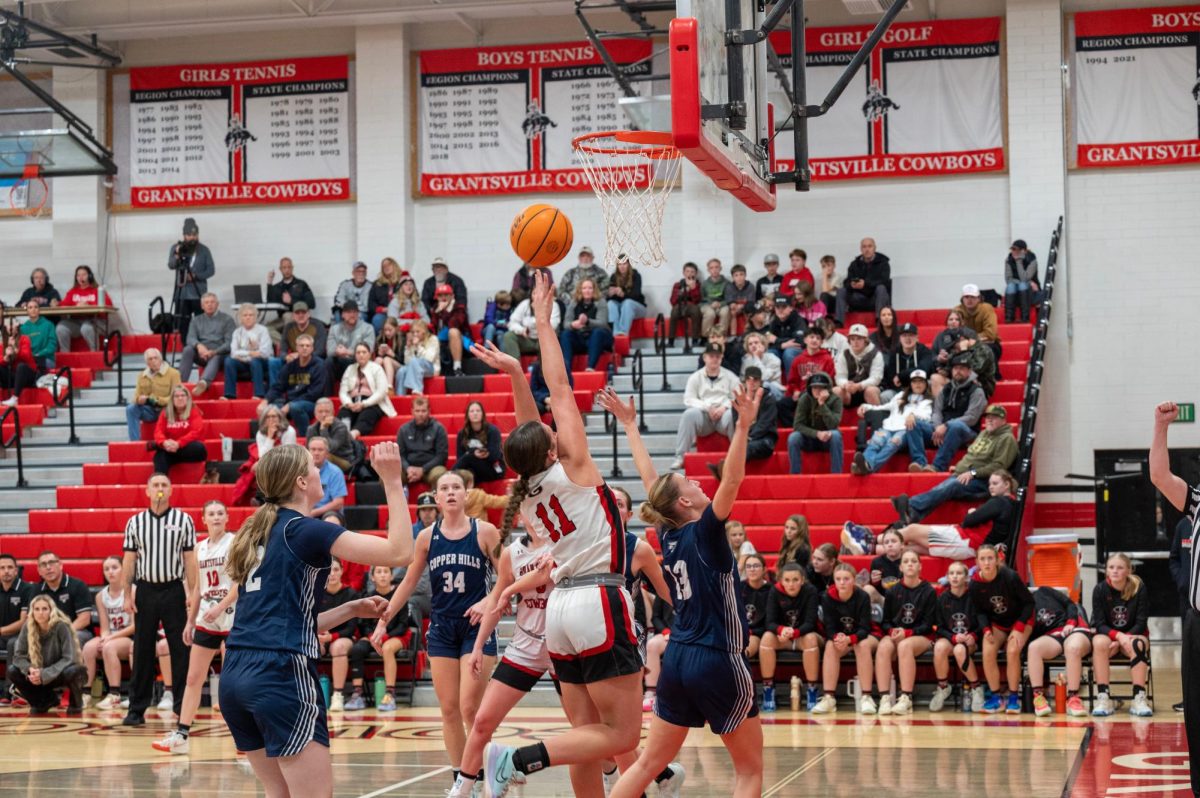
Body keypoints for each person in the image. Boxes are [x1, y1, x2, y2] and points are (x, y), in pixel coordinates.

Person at [467, 273, 651, 798]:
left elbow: (529, 426)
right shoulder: (573, 468)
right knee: (621, 734)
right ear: (552, 451)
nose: (554, 427)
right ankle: (518, 757)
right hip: (599, 596)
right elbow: (563, 389)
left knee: (587, 734)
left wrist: (513, 378)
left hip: (560, 613)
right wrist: (544, 324)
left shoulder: (525, 492)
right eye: (551, 434)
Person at [217, 441, 412, 796]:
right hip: (280, 675)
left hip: (235, 676)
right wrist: (393, 482)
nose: (319, 470)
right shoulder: (306, 530)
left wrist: (351, 609)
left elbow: (283, 620)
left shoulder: (256, 531)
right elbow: (400, 552)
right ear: (301, 482)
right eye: (313, 466)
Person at [600, 380, 763, 798]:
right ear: (685, 503)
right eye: (690, 484)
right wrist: (742, 427)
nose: (698, 484)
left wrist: (631, 426)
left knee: (649, 764)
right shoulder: (705, 532)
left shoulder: (668, 533)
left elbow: (650, 480)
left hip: (677, 658)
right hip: (717, 659)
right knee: (748, 772)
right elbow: (731, 481)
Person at [373, 472, 501, 779]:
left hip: (475, 628)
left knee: (471, 708)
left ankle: (487, 772)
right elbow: (407, 582)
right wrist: (383, 620)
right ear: (437, 498)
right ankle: (461, 778)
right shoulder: (427, 537)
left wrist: (488, 602)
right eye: (445, 488)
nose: (452, 492)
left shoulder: (485, 532)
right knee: (449, 710)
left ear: (466, 494)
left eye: (457, 487)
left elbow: (506, 577)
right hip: (443, 628)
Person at [449, 524, 557, 798]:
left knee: (586, 727)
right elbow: (496, 601)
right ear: (522, 513)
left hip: (561, 645)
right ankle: (461, 790)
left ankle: (612, 777)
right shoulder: (512, 553)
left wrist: (511, 590)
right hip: (526, 644)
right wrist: (477, 646)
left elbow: (541, 575)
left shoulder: (561, 542)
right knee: (482, 721)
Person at [153, 501, 239, 753]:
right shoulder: (199, 549)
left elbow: (240, 584)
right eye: (211, 513)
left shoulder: (235, 543)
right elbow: (197, 589)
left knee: (233, 682)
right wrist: (190, 621)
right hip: (206, 619)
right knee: (192, 678)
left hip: (232, 617)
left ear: (227, 517)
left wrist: (220, 607)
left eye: (220, 513)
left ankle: (245, 739)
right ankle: (182, 735)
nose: (216, 517)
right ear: (203, 519)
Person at [119, 473, 198, 725]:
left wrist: (193, 593)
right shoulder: (135, 522)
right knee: (141, 650)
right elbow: (129, 561)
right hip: (145, 590)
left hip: (174, 590)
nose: (160, 489)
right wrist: (126, 594)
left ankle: (181, 708)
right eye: (156, 485)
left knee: (180, 649)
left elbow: (190, 561)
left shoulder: (184, 520)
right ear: (147, 491)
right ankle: (136, 709)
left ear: (171, 490)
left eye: (164, 485)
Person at [1150, 403, 1200, 790]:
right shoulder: (1197, 502)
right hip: (1198, 621)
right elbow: (1159, 475)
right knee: (1197, 710)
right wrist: (1161, 427)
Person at [893, 404, 1017, 525]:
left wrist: (973, 473)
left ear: (1003, 420)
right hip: (965, 474)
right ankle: (913, 515)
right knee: (942, 488)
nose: (989, 420)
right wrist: (959, 466)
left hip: (984, 481)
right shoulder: (984, 433)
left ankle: (911, 504)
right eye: (988, 417)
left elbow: (998, 466)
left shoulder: (1006, 438)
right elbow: (972, 455)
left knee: (951, 486)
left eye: (994, 417)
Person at [969, 544, 1035, 714]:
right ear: (977, 562)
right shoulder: (975, 584)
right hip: (998, 623)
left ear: (997, 560)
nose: (987, 562)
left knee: (1012, 651)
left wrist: (1019, 627)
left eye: (990, 558)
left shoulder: (1010, 576)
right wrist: (986, 630)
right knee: (988, 650)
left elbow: (1029, 603)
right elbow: (980, 611)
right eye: (982, 559)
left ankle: (1013, 698)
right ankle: (996, 697)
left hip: (1022, 620)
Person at [899, 469, 1019, 560]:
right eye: (990, 484)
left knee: (911, 530)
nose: (991, 487)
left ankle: (882, 538)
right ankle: (881, 546)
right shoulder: (1010, 503)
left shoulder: (1000, 502)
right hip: (968, 540)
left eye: (995, 483)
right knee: (910, 547)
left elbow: (968, 520)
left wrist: (972, 512)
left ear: (1007, 485)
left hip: (967, 541)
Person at [873, 549, 937, 715]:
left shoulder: (928, 591)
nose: (910, 564)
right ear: (900, 568)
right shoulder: (892, 591)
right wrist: (893, 631)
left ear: (920, 566)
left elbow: (929, 624)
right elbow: (885, 621)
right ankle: (885, 698)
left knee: (905, 646)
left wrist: (907, 633)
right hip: (897, 633)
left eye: (913, 561)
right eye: (906, 561)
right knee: (883, 647)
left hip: (921, 636)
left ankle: (906, 697)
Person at [1091, 552, 1153, 717]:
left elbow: (1141, 623)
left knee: (1137, 645)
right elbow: (1099, 624)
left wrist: (1123, 639)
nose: (1115, 571)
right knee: (1098, 643)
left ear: (1128, 570)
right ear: (1106, 571)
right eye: (1111, 567)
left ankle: (1138, 698)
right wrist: (1118, 637)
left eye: (1120, 567)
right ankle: (1104, 697)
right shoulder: (1100, 589)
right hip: (1110, 638)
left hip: (1134, 636)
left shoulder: (1139, 588)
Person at [810, 563, 878, 714]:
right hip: (841, 638)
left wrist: (850, 639)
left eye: (846, 579)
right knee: (830, 646)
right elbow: (828, 627)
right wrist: (837, 637)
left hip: (864, 636)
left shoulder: (862, 596)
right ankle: (829, 698)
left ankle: (866, 697)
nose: (842, 582)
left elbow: (865, 628)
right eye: (838, 579)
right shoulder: (827, 596)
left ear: (854, 580)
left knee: (862, 645)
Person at [903, 353, 986, 472]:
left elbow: (971, 418)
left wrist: (946, 425)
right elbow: (937, 411)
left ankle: (937, 466)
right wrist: (938, 427)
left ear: (969, 371)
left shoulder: (976, 391)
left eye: (962, 368)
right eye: (956, 368)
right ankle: (919, 462)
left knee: (956, 426)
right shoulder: (946, 389)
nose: (958, 371)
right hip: (942, 429)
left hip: (967, 432)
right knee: (913, 424)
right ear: (952, 371)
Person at [349, 565, 414, 711]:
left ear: (391, 576)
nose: (383, 575)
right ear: (372, 577)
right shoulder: (369, 596)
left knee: (387, 648)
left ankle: (390, 694)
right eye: (379, 572)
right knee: (357, 649)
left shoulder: (399, 596)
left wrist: (385, 636)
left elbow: (403, 624)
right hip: (374, 636)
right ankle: (357, 694)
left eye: (386, 572)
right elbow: (363, 624)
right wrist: (372, 636)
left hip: (396, 635)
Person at [758, 563, 821, 712]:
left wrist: (793, 633)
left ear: (802, 580)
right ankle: (768, 689)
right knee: (767, 637)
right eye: (787, 580)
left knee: (811, 638)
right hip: (782, 638)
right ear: (781, 580)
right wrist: (781, 630)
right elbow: (770, 622)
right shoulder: (775, 591)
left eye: (795, 580)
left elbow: (810, 623)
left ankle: (812, 690)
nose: (791, 584)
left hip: (803, 635)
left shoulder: (810, 591)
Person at [9, 595, 87, 713]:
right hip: (38, 674)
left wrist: (44, 674)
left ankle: (76, 704)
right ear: (32, 611)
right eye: (37, 609)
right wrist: (31, 670)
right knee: (12, 670)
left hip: (60, 673)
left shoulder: (61, 626)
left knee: (73, 670)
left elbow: (69, 658)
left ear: (51, 610)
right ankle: (44, 701)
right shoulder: (27, 626)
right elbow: (18, 656)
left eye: (45, 609)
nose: (41, 613)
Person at [1025, 586, 1092, 718]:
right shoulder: (1020, 608)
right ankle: (1038, 698)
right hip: (1052, 637)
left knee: (1072, 648)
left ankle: (1073, 699)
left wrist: (1071, 622)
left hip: (1074, 629)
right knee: (1034, 648)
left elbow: (1070, 604)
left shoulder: (1044, 591)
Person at [670, 343, 739, 471]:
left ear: (721, 358)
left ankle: (738, 456)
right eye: (711, 356)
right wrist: (706, 407)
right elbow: (688, 399)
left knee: (732, 414)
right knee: (689, 414)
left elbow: (737, 396)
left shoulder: (730, 376)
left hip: (723, 416)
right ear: (704, 357)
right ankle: (680, 457)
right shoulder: (695, 377)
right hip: (704, 417)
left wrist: (724, 407)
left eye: (717, 357)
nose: (714, 359)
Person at [852, 370, 934, 475]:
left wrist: (913, 415)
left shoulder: (927, 401)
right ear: (910, 384)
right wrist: (866, 406)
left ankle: (869, 467)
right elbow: (884, 407)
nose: (917, 384)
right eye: (914, 381)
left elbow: (926, 417)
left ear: (926, 384)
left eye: (921, 381)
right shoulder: (900, 395)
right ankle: (864, 464)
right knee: (875, 442)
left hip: (904, 430)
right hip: (888, 427)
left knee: (891, 445)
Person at [81, 556, 135, 709]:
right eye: (106, 569)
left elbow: (135, 626)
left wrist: (109, 639)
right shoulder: (100, 596)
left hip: (129, 637)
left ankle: (114, 695)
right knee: (89, 647)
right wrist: (104, 638)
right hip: (112, 636)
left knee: (109, 647)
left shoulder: (132, 591)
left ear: (123, 570)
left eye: (114, 568)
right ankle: (86, 693)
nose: (110, 572)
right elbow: (105, 626)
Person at [706, 368, 778, 483]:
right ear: (744, 381)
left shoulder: (768, 398)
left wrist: (748, 437)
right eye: (749, 379)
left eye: (755, 379)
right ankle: (725, 471)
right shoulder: (738, 399)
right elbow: (736, 423)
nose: (752, 382)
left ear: (761, 382)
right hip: (747, 439)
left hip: (765, 440)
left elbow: (765, 424)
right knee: (741, 446)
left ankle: (724, 471)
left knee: (744, 447)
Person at [929, 561, 983, 712]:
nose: (955, 576)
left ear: (966, 578)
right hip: (950, 639)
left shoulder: (974, 598)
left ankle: (976, 688)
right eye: (951, 573)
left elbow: (982, 622)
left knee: (960, 649)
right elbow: (939, 627)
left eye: (959, 573)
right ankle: (943, 687)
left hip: (971, 641)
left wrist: (973, 635)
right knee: (939, 647)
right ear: (947, 577)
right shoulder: (941, 599)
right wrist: (952, 638)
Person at [262, 333, 325, 438]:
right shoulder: (290, 366)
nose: (304, 348)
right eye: (302, 346)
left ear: (312, 348)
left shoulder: (319, 365)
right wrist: (265, 401)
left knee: (295, 408)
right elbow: (278, 386)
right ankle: (273, 439)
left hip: (311, 404)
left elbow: (314, 393)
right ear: (297, 348)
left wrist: (290, 405)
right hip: (291, 403)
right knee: (270, 410)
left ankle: (305, 438)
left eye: (307, 346)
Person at [319, 559, 359, 712]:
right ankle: (309, 693)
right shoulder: (317, 592)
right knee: (310, 645)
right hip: (321, 635)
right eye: (328, 570)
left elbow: (351, 628)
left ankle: (337, 695)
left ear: (342, 571)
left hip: (343, 637)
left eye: (335, 570)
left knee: (339, 647)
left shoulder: (351, 594)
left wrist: (332, 637)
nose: (332, 574)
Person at [178, 293, 236, 397]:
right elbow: (190, 338)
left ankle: (204, 382)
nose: (209, 305)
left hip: (220, 354)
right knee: (188, 349)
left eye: (212, 302)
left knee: (217, 356)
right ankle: (180, 384)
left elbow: (230, 343)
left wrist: (214, 351)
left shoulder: (227, 320)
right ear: (202, 306)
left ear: (217, 304)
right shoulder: (196, 320)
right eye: (206, 302)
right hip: (202, 355)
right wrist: (199, 346)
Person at [33, 550, 94, 649]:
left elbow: (84, 619)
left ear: (60, 565)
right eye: (43, 564)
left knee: (72, 638)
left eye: (52, 562)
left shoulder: (78, 585)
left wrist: (61, 633)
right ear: (39, 571)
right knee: (20, 642)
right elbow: (32, 618)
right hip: (47, 632)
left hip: (77, 630)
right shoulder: (36, 590)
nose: (48, 567)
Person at [167, 218, 215, 342]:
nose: (192, 237)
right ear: (184, 235)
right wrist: (177, 255)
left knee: (202, 324)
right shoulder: (176, 247)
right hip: (181, 293)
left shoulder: (204, 250)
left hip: (199, 293)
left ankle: (202, 350)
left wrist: (196, 276)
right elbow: (171, 265)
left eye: (195, 235)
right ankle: (186, 350)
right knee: (183, 324)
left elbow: (211, 270)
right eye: (189, 235)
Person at [337, 342, 396, 440]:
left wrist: (364, 404)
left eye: (364, 352)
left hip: (372, 402)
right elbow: (343, 391)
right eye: (358, 352)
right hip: (352, 402)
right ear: (355, 355)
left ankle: (354, 434)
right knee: (344, 413)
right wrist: (348, 403)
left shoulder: (376, 368)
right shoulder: (350, 369)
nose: (361, 355)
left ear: (369, 354)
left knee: (367, 414)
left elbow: (381, 391)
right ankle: (343, 435)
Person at [788, 372, 844, 475]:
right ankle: (795, 475)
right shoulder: (804, 399)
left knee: (836, 435)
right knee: (793, 437)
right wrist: (816, 433)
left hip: (827, 439)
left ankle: (837, 474)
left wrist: (822, 404)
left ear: (827, 388)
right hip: (809, 439)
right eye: (814, 388)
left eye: (820, 387)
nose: (817, 391)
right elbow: (797, 425)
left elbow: (833, 425)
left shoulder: (836, 400)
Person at [778, 326, 835, 424]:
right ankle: (794, 426)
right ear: (805, 340)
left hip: (818, 394)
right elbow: (792, 381)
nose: (814, 340)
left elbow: (830, 380)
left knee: (806, 397)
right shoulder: (798, 360)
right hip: (800, 393)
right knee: (781, 404)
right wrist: (795, 390)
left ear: (821, 342)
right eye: (812, 337)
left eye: (818, 338)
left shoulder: (827, 359)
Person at [269, 301, 328, 391]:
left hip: (312, 359)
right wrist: (286, 356)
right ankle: (275, 392)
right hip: (293, 360)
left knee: (321, 363)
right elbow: (282, 350)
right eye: (297, 313)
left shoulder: (318, 326)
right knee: (273, 362)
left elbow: (320, 351)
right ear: (293, 315)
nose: (300, 315)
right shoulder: (288, 327)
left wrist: (302, 356)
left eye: (303, 313)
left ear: (308, 314)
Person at [0, 553, 34, 706]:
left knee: (13, 643)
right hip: (2, 634)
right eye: (2, 568)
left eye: (9, 567)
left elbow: (23, 621)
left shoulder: (27, 589)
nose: (6, 571)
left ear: (16, 570)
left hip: (22, 635)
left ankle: (9, 692)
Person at [125, 348, 179, 442]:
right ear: (147, 363)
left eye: (156, 358)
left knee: (168, 410)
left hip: (165, 408)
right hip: (149, 409)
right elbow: (135, 397)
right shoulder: (142, 375)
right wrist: (139, 399)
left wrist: (157, 400)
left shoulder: (173, 373)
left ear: (161, 359)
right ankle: (135, 443)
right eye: (150, 359)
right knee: (131, 409)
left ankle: (167, 442)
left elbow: (176, 397)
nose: (154, 361)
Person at [559, 279, 613, 372]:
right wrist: (573, 325)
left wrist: (587, 321)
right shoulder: (574, 303)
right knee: (565, 334)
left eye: (590, 288)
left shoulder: (600, 302)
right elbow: (566, 324)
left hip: (599, 337)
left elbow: (602, 323)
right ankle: (566, 370)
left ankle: (590, 367)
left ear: (594, 290)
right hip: (581, 337)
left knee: (598, 332)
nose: (587, 291)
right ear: (580, 290)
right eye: (584, 288)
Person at [151, 386, 207, 476]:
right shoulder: (165, 413)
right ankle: (160, 487)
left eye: (182, 395)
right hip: (170, 450)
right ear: (172, 399)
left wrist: (179, 443)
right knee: (159, 456)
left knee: (199, 447)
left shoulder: (194, 411)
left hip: (189, 450)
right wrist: (164, 442)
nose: (180, 398)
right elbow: (158, 431)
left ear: (187, 398)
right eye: (176, 396)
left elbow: (196, 432)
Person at [834, 237, 891, 324]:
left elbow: (885, 281)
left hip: (874, 299)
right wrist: (852, 284)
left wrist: (866, 284)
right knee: (841, 291)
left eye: (869, 246)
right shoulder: (854, 264)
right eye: (864, 247)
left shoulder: (883, 263)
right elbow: (846, 282)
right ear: (861, 249)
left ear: (874, 248)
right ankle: (839, 322)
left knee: (881, 288)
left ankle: (879, 321)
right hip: (858, 298)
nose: (867, 249)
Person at [57, 264, 112, 352]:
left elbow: (109, 305)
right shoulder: (73, 291)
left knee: (86, 327)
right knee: (61, 327)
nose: (81, 277)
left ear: (89, 276)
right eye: (78, 275)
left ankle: (94, 353)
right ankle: (65, 356)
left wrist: (89, 306)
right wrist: (55, 303)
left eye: (84, 275)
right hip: (77, 322)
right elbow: (63, 305)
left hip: (96, 321)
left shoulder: (97, 290)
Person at [224, 303, 274, 400]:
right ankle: (229, 394)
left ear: (256, 317)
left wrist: (242, 354)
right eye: (245, 315)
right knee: (229, 361)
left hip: (262, 362)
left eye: (251, 315)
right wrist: (249, 354)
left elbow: (264, 352)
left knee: (256, 360)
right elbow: (233, 353)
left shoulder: (263, 330)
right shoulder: (237, 332)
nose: (248, 318)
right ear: (240, 318)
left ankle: (259, 394)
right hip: (244, 362)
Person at [398, 396, 449, 488]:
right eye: (417, 411)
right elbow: (400, 455)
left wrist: (423, 469)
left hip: (431, 468)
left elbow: (441, 456)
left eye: (423, 411)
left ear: (429, 411)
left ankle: (435, 501)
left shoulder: (439, 428)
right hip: (408, 469)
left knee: (441, 475)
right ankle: (395, 502)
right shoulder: (403, 430)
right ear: (412, 411)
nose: (420, 414)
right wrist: (407, 468)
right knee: (389, 475)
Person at [325, 299, 376, 392]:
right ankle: (328, 396)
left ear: (358, 314)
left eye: (354, 312)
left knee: (358, 360)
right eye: (348, 312)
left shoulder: (368, 328)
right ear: (343, 315)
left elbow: (369, 351)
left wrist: (346, 351)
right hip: (340, 363)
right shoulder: (334, 329)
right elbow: (330, 351)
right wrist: (337, 352)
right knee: (328, 362)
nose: (352, 315)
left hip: (357, 362)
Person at [452, 401, 505, 487]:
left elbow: (495, 456)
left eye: (478, 411)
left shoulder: (493, 431)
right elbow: (460, 458)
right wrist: (474, 454)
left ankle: (449, 476)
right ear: (467, 415)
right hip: (474, 470)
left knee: (469, 457)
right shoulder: (462, 433)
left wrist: (482, 454)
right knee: (468, 472)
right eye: (472, 411)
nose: (475, 413)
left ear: (483, 414)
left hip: (493, 468)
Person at [1169, 514, 1192, 712]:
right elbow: (1174, 558)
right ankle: (1190, 701)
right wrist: (1182, 581)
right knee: (1190, 651)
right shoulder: (1183, 525)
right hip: (1188, 600)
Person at [833, 324, 882, 409]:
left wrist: (859, 386)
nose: (855, 342)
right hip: (850, 390)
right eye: (852, 339)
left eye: (859, 338)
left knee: (871, 391)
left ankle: (878, 419)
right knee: (836, 391)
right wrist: (846, 384)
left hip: (868, 388)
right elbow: (839, 376)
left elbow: (876, 378)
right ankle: (834, 421)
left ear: (866, 340)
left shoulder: (876, 354)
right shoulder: (844, 354)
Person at [882, 323, 934, 401]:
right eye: (904, 335)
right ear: (900, 338)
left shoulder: (924, 351)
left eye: (911, 335)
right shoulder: (894, 353)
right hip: (900, 390)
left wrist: (901, 376)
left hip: (921, 390)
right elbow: (891, 377)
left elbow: (922, 369)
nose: (907, 338)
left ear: (917, 338)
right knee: (884, 396)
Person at [501, 294, 561, 361]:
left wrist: (536, 313)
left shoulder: (553, 305)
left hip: (543, 340)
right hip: (527, 338)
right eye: (535, 293)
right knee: (509, 336)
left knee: (549, 339)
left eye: (540, 291)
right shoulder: (525, 304)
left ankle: (545, 370)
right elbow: (512, 322)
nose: (537, 295)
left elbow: (553, 325)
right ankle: (515, 366)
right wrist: (521, 330)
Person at [430, 283, 473, 377]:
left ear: (452, 296)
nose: (443, 297)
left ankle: (457, 367)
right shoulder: (435, 308)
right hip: (441, 342)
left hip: (461, 340)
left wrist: (443, 312)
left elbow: (453, 324)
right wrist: (437, 313)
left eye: (446, 294)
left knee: (453, 331)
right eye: (440, 295)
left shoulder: (459, 307)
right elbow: (433, 327)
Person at [265, 257, 317, 329]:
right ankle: (282, 340)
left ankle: (287, 339)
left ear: (292, 268)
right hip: (282, 319)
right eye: (284, 267)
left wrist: (291, 301)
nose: (287, 270)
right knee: (266, 328)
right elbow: (270, 303)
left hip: (299, 316)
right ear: (280, 269)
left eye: (289, 267)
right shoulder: (277, 287)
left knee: (288, 316)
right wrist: (269, 283)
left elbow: (312, 304)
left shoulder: (301, 284)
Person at [305, 398, 354, 473]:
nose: (324, 414)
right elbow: (308, 450)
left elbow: (330, 448)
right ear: (315, 414)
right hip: (321, 459)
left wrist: (324, 429)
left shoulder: (341, 427)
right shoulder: (311, 429)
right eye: (320, 411)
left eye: (327, 411)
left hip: (344, 460)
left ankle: (323, 482)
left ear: (333, 413)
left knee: (324, 456)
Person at [931, 309, 973, 394]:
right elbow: (932, 355)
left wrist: (948, 361)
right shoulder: (940, 336)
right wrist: (938, 359)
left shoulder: (967, 335)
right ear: (946, 321)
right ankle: (941, 407)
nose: (953, 322)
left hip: (963, 373)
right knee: (934, 378)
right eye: (951, 319)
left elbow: (969, 358)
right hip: (945, 374)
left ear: (961, 322)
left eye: (957, 319)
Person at [955, 284, 1000, 359]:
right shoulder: (957, 311)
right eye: (966, 297)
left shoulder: (987, 309)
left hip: (987, 344)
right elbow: (953, 333)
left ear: (979, 298)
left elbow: (991, 334)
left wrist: (971, 340)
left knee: (987, 351)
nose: (969, 300)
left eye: (972, 297)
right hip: (964, 344)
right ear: (962, 299)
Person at [396, 319, 441, 396]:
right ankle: (400, 396)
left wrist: (418, 346)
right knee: (401, 370)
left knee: (414, 361)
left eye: (417, 332)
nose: (415, 334)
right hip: (415, 368)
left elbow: (429, 358)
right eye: (413, 332)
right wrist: (408, 347)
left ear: (424, 332)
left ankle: (417, 390)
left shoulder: (433, 339)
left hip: (431, 368)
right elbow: (407, 362)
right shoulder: (413, 341)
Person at [606, 253, 647, 336]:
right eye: (619, 264)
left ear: (628, 265)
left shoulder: (636, 276)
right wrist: (610, 294)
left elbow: (636, 295)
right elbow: (610, 299)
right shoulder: (613, 277)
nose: (622, 266)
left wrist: (623, 294)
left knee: (627, 303)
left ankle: (623, 333)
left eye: (624, 264)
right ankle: (615, 332)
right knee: (610, 304)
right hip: (621, 308)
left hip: (637, 308)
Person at [307, 437, 348, 518]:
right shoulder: (300, 470)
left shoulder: (335, 472)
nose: (316, 453)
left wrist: (313, 513)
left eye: (320, 450)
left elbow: (338, 503)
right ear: (308, 451)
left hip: (328, 512)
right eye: (313, 449)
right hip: (306, 510)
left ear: (327, 454)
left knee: (331, 520)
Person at [766, 295, 806, 376]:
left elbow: (799, 340)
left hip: (798, 350)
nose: (780, 310)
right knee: (770, 353)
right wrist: (782, 345)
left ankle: (791, 383)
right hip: (780, 349)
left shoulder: (798, 320)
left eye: (784, 307)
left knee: (789, 353)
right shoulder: (774, 321)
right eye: (777, 307)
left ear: (791, 308)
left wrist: (777, 341)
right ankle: (772, 383)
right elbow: (768, 341)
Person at [0, 322, 37, 407]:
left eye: (12, 325)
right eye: (8, 326)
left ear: (17, 328)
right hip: (12, 377)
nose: (10, 328)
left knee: (21, 366)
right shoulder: (3, 343)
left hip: (27, 376)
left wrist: (16, 349)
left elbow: (27, 356)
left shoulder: (24, 339)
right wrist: (5, 358)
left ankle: (15, 398)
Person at [668, 262, 703, 348]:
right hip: (680, 305)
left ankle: (695, 340)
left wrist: (693, 289)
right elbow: (673, 301)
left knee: (696, 311)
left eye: (692, 272)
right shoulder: (678, 285)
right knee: (674, 312)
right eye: (687, 271)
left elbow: (697, 300)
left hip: (692, 306)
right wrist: (685, 290)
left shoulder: (698, 285)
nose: (690, 274)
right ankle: (671, 341)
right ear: (684, 273)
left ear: (696, 273)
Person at [1004, 240, 1040, 323]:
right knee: (1010, 286)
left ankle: (1025, 317)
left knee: (1022, 285)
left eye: (1015, 249)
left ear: (1022, 250)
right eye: (1012, 249)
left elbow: (1025, 278)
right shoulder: (1008, 259)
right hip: (1016, 286)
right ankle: (1009, 317)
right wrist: (1017, 282)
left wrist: (1018, 262)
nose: (1012, 251)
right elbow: (1008, 278)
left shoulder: (1032, 260)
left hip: (1030, 289)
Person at [368, 257, 404, 332]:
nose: (386, 267)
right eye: (384, 266)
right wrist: (383, 309)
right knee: (377, 319)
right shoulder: (377, 284)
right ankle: (381, 341)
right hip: (384, 313)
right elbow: (371, 304)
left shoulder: (403, 281)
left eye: (389, 265)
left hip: (400, 312)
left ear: (394, 265)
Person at [20, 300, 57, 372]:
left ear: (39, 310)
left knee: (39, 363)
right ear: (27, 311)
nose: (33, 309)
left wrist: (38, 355)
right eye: (30, 307)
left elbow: (52, 346)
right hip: (29, 360)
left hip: (46, 359)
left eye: (35, 307)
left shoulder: (49, 325)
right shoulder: (23, 328)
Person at [700, 258, 731, 337]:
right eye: (711, 268)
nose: (714, 270)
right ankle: (705, 337)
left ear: (720, 268)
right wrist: (711, 304)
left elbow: (729, 298)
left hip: (722, 305)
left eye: (716, 267)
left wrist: (720, 304)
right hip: (707, 305)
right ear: (708, 270)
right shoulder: (704, 284)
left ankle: (721, 336)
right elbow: (701, 299)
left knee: (725, 311)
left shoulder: (727, 283)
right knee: (710, 314)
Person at [372, 317, 405, 387]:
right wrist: (380, 354)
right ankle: (371, 383)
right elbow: (377, 357)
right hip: (384, 365)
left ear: (396, 329)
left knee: (387, 359)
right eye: (385, 330)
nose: (387, 333)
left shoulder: (402, 339)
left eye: (390, 330)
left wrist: (392, 354)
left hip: (399, 365)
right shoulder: (380, 339)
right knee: (378, 359)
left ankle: (389, 386)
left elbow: (403, 361)